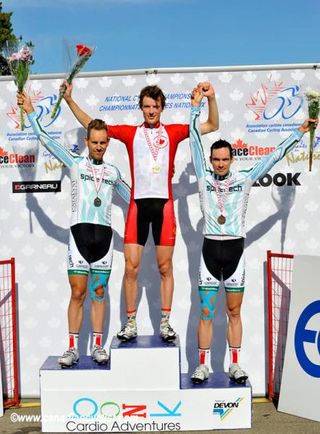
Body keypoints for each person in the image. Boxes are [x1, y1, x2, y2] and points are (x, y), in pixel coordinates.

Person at [61, 81, 219, 342]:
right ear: (141, 108)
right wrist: (69, 100)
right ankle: (131, 323)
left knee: (165, 267)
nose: (150, 111)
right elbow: (92, 124)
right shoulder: (130, 133)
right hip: (138, 206)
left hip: (164, 206)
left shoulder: (175, 132)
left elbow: (212, 125)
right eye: (146, 107)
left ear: (162, 108)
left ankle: (165, 323)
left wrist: (211, 99)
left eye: (155, 107)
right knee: (131, 268)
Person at [189, 86, 318, 384]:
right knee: (206, 312)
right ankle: (202, 365)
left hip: (235, 253)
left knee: (234, 312)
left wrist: (299, 131)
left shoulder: (244, 179)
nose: (220, 163)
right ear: (210, 160)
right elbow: (194, 140)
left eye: (224, 159)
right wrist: (197, 107)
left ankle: (235, 363)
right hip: (210, 251)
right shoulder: (203, 176)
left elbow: (274, 157)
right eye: (216, 159)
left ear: (232, 160)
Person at [17, 91, 131, 367]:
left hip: (104, 236)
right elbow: (45, 138)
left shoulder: (114, 172)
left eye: (103, 142)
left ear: (108, 143)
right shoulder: (74, 163)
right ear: (86, 142)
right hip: (79, 236)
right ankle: (71, 348)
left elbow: (135, 198)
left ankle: (97, 347)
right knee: (78, 292)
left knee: (99, 291)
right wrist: (31, 110)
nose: (99, 146)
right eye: (94, 142)